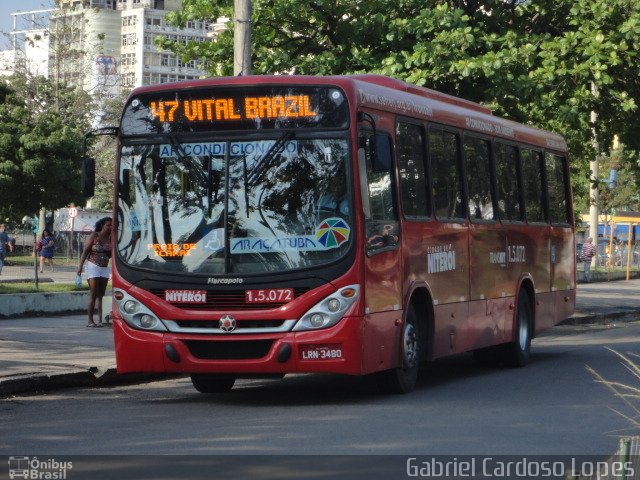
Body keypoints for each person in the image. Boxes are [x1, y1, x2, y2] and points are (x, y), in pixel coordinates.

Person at [78, 217, 113, 328]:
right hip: (93, 266)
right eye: (108, 225)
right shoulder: (95, 236)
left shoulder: (112, 238)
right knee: (93, 293)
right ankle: (90, 320)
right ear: (102, 225)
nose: (110, 227)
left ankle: (100, 320)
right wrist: (79, 268)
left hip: (104, 267)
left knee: (101, 295)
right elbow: (85, 252)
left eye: (112, 225)